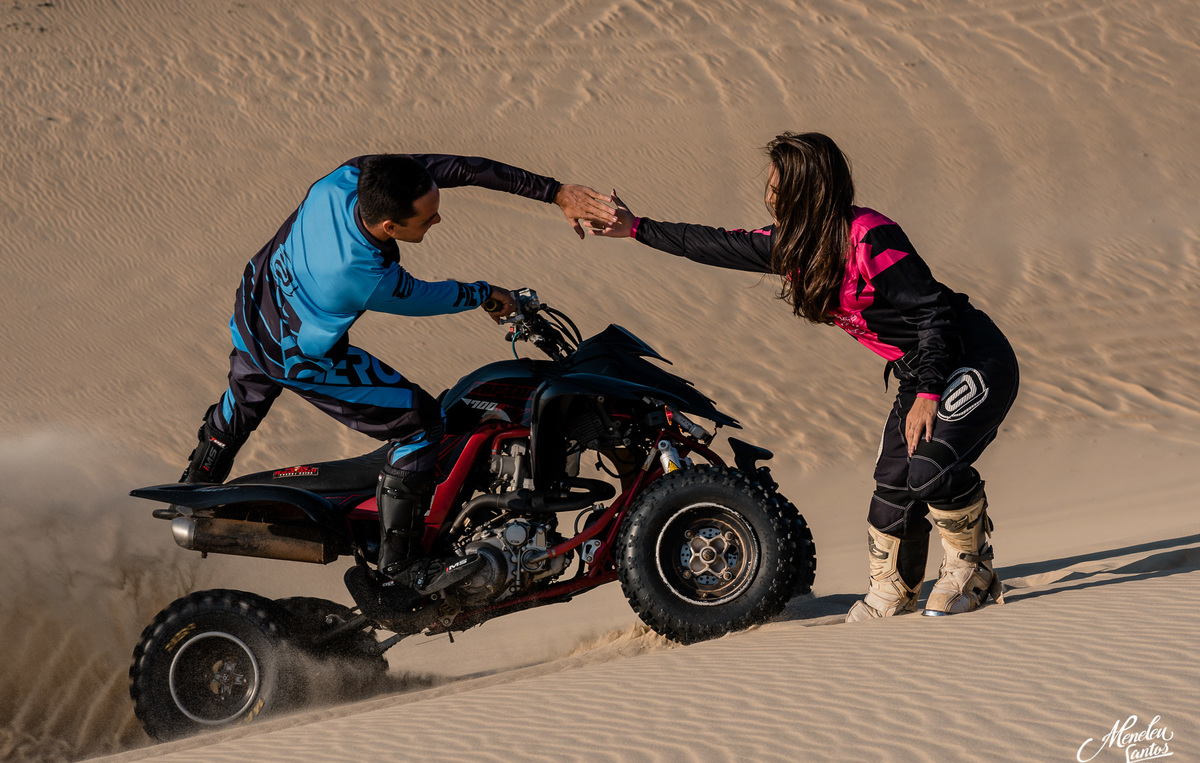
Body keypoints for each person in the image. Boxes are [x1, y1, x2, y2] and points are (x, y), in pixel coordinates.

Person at [589, 132, 1019, 619]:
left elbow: (934, 315)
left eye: (778, 187)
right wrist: (636, 227)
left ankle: (972, 570)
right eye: (769, 186)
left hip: (970, 358)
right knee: (891, 491)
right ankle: (895, 591)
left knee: (929, 470)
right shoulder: (792, 247)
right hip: (918, 370)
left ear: (808, 190)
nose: (769, 197)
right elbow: (710, 243)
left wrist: (928, 391)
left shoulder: (869, 236)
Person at [179, 152, 614, 595]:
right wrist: (488, 294)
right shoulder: (362, 274)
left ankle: (198, 481)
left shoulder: (346, 178)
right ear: (389, 227)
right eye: (426, 220)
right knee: (422, 424)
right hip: (298, 356)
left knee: (242, 404)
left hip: (255, 309)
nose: (438, 219)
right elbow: (431, 296)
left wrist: (554, 192)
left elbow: (463, 169)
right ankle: (400, 566)